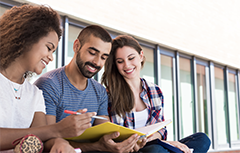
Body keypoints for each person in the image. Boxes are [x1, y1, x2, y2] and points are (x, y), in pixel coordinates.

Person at [0, 4, 96, 153]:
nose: (51, 57)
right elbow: (45, 132)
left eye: (54, 51)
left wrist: (61, 143)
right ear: (26, 38)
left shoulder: (35, 94)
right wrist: (57, 130)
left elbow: (40, 138)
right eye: (49, 47)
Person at [34, 25, 141, 152]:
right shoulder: (49, 85)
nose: (97, 62)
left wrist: (126, 143)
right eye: (92, 53)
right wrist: (96, 146)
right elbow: (47, 141)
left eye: (103, 57)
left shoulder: (100, 91)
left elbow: (105, 137)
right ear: (76, 46)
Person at [101, 35, 211, 153]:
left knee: (202, 139)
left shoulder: (154, 91)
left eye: (131, 58)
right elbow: (114, 136)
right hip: (131, 150)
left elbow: (161, 129)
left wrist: (162, 141)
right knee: (156, 150)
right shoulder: (109, 95)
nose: (127, 65)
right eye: (120, 61)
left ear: (141, 56)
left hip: (153, 144)